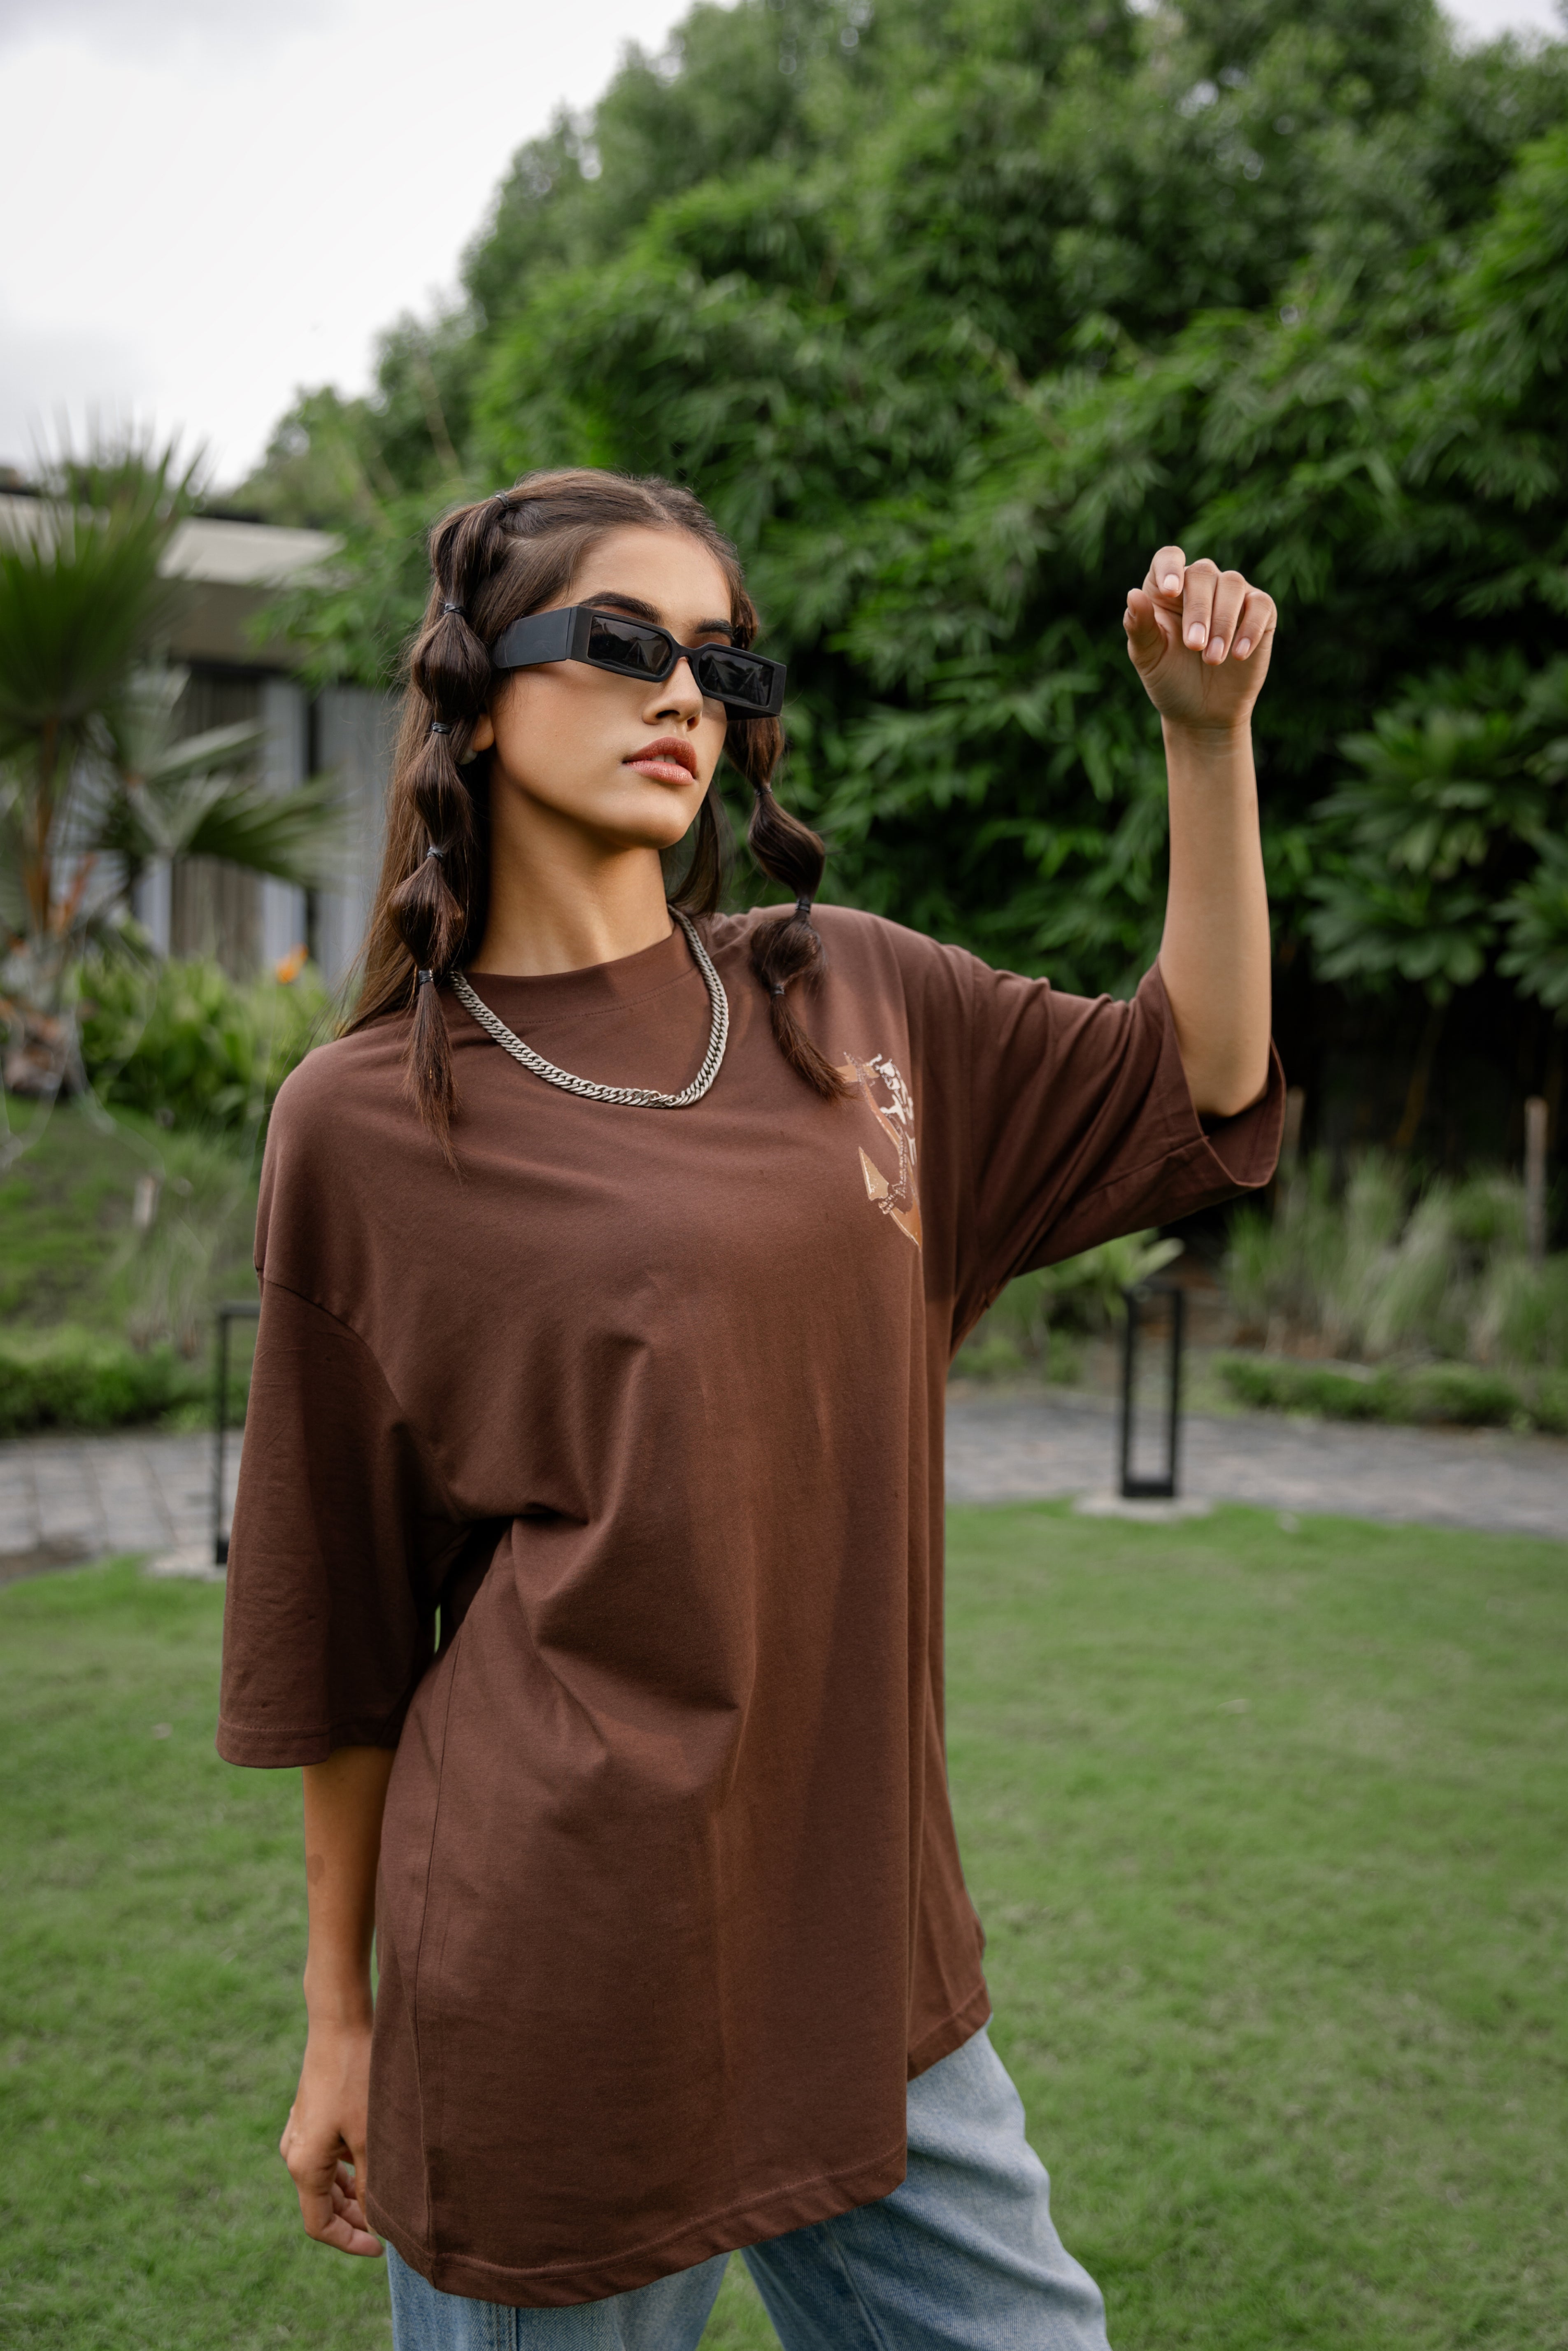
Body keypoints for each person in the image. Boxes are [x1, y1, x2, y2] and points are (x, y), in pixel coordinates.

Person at [217, 466, 1282, 2350]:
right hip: (559, 2006)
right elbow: (338, 1628)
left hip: (864, 1969)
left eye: (722, 661)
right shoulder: (370, 1121)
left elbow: (1191, 1078)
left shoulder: (842, 1001)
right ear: (470, 694)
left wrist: (1206, 748)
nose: (685, 695)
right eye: (623, 644)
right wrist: (338, 2022)